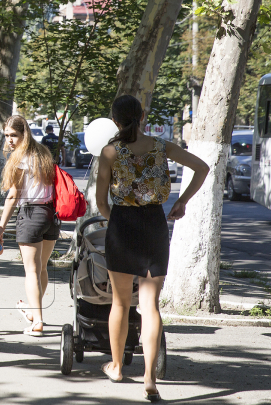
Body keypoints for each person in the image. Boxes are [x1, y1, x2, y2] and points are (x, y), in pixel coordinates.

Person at [95, 95, 208, 402]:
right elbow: (202, 167)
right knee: (150, 306)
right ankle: (149, 380)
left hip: (122, 225)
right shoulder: (162, 146)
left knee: (120, 303)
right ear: (143, 116)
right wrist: (182, 201)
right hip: (155, 225)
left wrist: (117, 219)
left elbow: (102, 201)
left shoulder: (110, 151)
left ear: (115, 120)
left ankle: (117, 366)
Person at [0, 115, 57, 337]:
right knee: (41, 268)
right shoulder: (43, 153)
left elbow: (13, 195)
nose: (10, 140)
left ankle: (37, 321)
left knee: (31, 270)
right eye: (7, 136)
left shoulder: (19, 158)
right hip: (50, 215)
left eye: (14, 135)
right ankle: (34, 312)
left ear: (24, 134)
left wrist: (1, 227)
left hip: (31, 214)